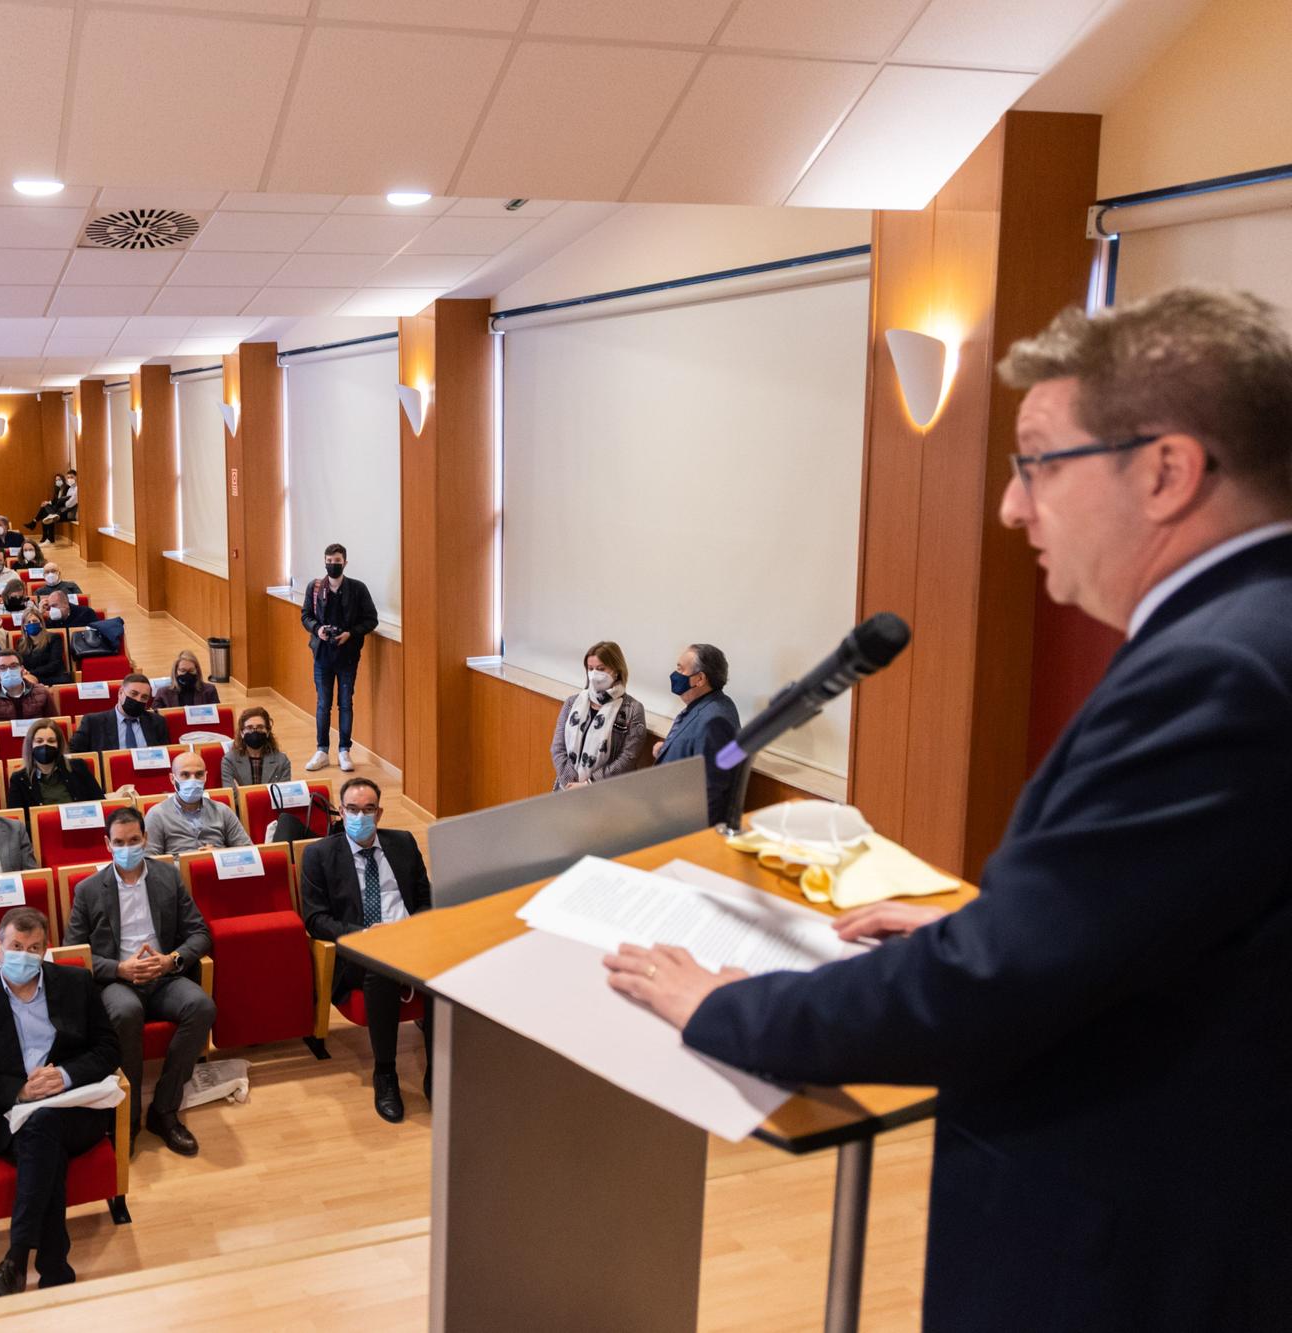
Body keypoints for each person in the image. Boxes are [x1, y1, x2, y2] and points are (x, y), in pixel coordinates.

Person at [605, 287, 1292, 1332]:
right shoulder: (1254, 634)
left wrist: (724, 1006)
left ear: (1166, 471)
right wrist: (1001, 926)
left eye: (1037, 462)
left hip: (1129, 1251)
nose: (1012, 507)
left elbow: (980, 993)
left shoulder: (1216, 672)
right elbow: (1194, 917)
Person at [0, 906, 119, 1299]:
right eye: (16, 946)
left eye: (34, 948)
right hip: (18, 1116)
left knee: (45, 1127)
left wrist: (66, 1075)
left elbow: (109, 1048)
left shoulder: (76, 982)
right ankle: (53, 1264)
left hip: (77, 1108)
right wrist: (19, 1091)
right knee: (43, 1129)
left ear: (46, 949)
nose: (24, 955)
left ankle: (15, 1261)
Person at [64, 809, 213, 1153]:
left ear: (145, 839)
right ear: (107, 844)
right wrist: (119, 969)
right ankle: (127, 1118)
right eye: (119, 842)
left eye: (134, 840)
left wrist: (171, 960)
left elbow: (200, 933)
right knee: (126, 1012)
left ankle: (164, 1109)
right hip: (118, 982)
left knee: (202, 1006)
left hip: (163, 976)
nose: (127, 848)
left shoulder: (168, 876)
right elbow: (74, 954)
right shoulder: (88, 890)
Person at [299, 777, 433, 1123]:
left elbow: (426, 899)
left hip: (410, 939)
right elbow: (316, 919)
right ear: (341, 812)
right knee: (381, 969)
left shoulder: (403, 843)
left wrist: (408, 929)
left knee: (445, 967)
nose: (361, 816)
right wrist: (365, 935)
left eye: (369, 809)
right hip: (359, 950)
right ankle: (385, 1073)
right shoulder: (319, 855)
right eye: (353, 809)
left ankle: (437, 1071)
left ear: (380, 813)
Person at [300, 542, 378, 774]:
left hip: (348, 656)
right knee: (323, 704)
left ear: (345, 563)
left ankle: (344, 750)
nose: (332, 565)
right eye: (329, 561)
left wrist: (350, 633)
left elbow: (371, 619)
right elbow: (305, 616)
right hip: (322, 655)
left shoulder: (358, 589)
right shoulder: (315, 588)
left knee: (345, 703)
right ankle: (322, 751)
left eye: (337, 561)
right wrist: (318, 629)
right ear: (324, 562)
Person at [651, 643, 742, 826]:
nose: (675, 674)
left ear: (700, 679)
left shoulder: (715, 720)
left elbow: (709, 790)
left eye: (680, 669)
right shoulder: (708, 704)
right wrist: (668, 750)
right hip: (668, 812)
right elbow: (695, 749)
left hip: (683, 824)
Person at [550, 640, 648, 790]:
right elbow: (558, 748)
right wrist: (570, 782)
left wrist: (588, 785)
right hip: (566, 789)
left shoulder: (633, 710)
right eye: (590, 669)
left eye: (601, 669)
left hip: (606, 793)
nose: (594, 674)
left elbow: (628, 758)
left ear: (616, 670)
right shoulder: (572, 703)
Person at [143, 750, 251, 855]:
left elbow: (248, 852)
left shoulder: (222, 811)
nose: (193, 780)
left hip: (218, 866)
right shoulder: (157, 815)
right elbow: (149, 861)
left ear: (205, 776)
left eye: (199, 774)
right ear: (172, 778)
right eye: (185, 775)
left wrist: (220, 854)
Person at [5, 721, 101, 811]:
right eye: (39, 741)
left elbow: (100, 804)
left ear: (59, 745)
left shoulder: (78, 767)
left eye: (51, 741)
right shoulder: (19, 778)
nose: (45, 745)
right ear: (30, 745)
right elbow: (17, 819)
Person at [69, 674, 168, 753]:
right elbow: (74, 754)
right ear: (120, 693)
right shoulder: (93, 722)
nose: (138, 700)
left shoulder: (157, 722)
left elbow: (166, 755)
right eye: (134, 694)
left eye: (144, 697)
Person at [222, 706, 292, 788]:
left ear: (267, 732)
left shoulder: (282, 761)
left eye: (260, 727)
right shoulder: (229, 760)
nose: (254, 732)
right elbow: (231, 792)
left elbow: (283, 792)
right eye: (249, 728)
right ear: (242, 733)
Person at [0, 649, 52, 724]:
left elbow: (53, 725)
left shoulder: (42, 692)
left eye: (14, 666)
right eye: (3, 667)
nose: (9, 671)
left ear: (22, 670)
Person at [12, 606, 71, 686]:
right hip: (31, 678)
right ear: (24, 627)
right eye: (28, 622)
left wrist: (31, 672)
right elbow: (20, 664)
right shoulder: (20, 643)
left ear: (41, 624)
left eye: (35, 621)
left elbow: (54, 664)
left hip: (54, 677)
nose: (32, 623)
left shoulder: (54, 638)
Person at [151, 650, 217, 709]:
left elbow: (218, 715)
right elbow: (154, 717)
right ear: (176, 672)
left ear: (197, 670)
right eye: (183, 670)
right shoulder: (163, 693)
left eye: (191, 670)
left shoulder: (209, 690)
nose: (187, 674)